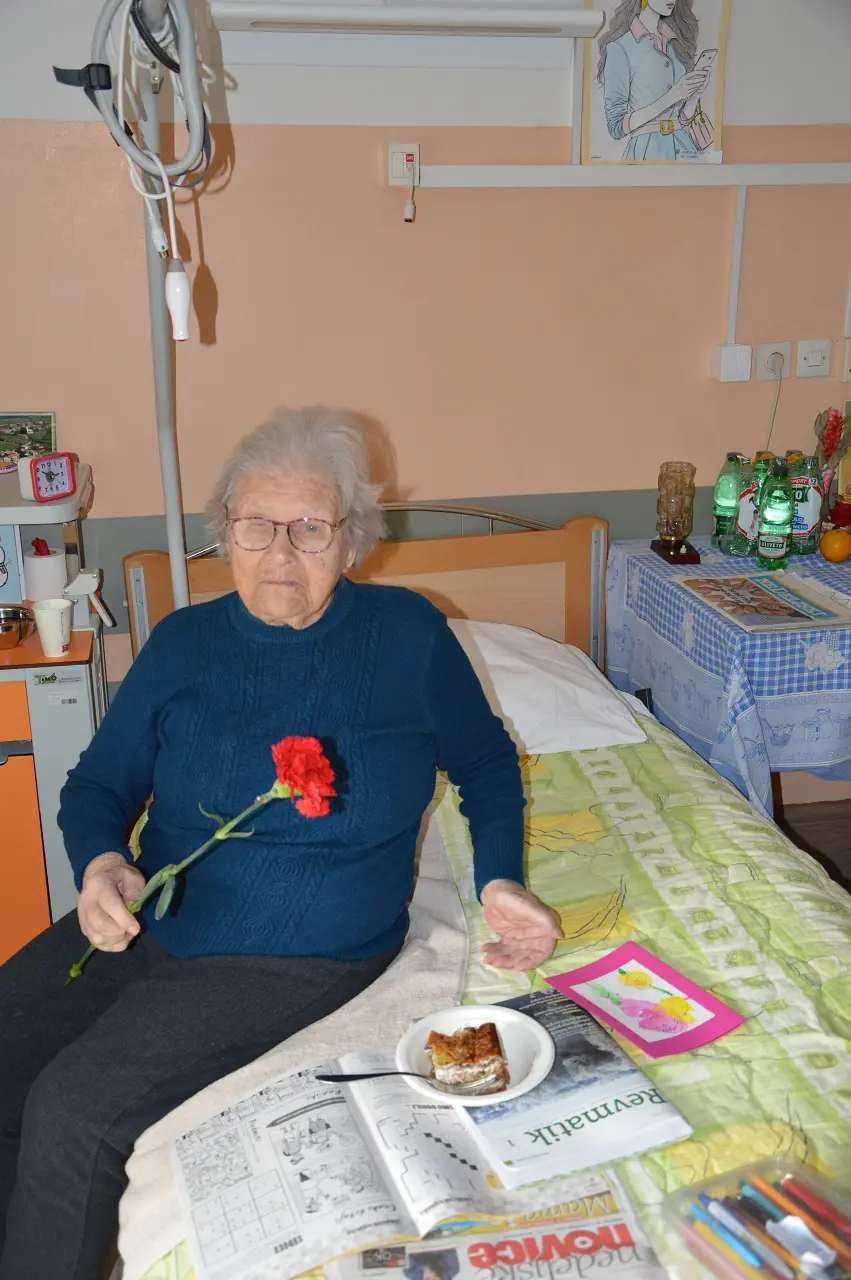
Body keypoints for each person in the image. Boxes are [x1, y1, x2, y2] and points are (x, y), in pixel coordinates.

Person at [0, 408, 561, 1279]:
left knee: (75, 1110)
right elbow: (99, 784)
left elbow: (485, 764)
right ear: (224, 532)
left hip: (297, 954)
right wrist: (104, 862)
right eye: (256, 526)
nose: (279, 554)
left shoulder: (408, 636)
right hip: (151, 913)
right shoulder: (182, 643)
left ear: (352, 539)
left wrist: (499, 879)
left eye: (310, 528)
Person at [597, 0, 712, 162]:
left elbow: (683, 120)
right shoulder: (619, 48)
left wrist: (696, 94)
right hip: (646, 153)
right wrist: (672, 96)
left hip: (685, 150)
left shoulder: (676, 43)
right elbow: (616, 127)